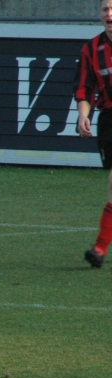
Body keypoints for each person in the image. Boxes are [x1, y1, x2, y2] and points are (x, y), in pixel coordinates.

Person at [76, 0, 112, 268]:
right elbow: (85, 89)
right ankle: (99, 249)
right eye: (105, 9)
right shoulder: (91, 49)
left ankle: (100, 247)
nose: (109, 14)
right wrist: (83, 114)